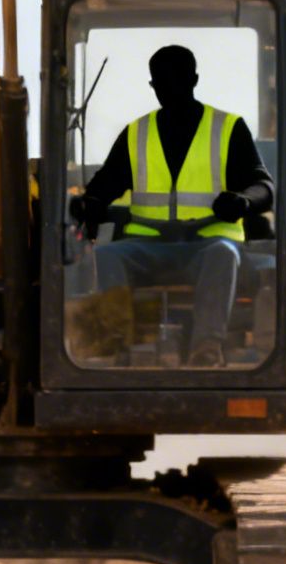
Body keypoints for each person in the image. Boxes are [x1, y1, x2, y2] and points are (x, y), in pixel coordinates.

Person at [68, 44, 273, 367]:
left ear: (194, 79)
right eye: (160, 83)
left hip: (207, 245)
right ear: (152, 86)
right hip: (149, 247)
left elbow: (264, 187)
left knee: (223, 254)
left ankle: (206, 349)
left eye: (176, 80)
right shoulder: (137, 133)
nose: (169, 89)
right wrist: (88, 204)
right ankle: (119, 348)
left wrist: (243, 201)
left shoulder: (228, 129)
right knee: (107, 255)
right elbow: (103, 187)